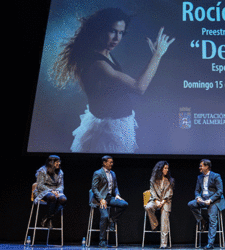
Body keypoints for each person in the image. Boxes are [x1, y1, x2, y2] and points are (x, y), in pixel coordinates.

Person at [51, 8, 175, 153]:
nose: (117, 38)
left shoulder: (104, 53)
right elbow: (139, 87)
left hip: (115, 126)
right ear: (100, 30)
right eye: (113, 31)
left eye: (121, 33)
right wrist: (158, 55)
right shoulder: (98, 63)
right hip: (108, 133)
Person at [90, 156, 128, 247]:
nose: (112, 164)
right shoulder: (98, 173)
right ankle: (102, 240)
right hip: (100, 199)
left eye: (112, 162)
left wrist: (117, 195)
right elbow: (94, 188)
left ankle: (112, 220)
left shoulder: (113, 173)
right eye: (110, 162)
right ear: (104, 163)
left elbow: (115, 187)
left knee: (124, 204)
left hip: (110, 198)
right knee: (105, 216)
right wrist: (101, 199)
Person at [188, 159, 225, 249]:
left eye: (201, 166)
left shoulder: (216, 176)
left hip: (214, 201)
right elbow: (197, 190)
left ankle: (210, 244)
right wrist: (198, 197)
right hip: (203, 200)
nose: (200, 167)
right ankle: (202, 220)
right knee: (191, 204)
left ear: (207, 167)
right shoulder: (199, 177)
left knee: (212, 219)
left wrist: (210, 200)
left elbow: (220, 191)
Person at [145, 161, 175, 248]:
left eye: (167, 168)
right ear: (160, 169)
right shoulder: (153, 180)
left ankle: (163, 244)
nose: (167, 170)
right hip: (155, 200)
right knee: (148, 207)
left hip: (166, 201)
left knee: (165, 218)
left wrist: (163, 201)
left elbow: (170, 193)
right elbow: (152, 192)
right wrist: (156, 201)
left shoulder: (170, 180)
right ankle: (155, 224)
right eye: (165, 168)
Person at [33, 155, 67, 229]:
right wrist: (51, 191)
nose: (59, 163)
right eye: (57, 162)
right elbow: (40, 185)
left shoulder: (60, 172)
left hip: (56, 191)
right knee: (52, 197)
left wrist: (57, 191)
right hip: (43, 191)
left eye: (59, 162)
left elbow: (61, 185)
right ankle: (49, 219)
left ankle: (48, 217)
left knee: (63, 199)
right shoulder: (42, 171)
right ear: (51, 163)